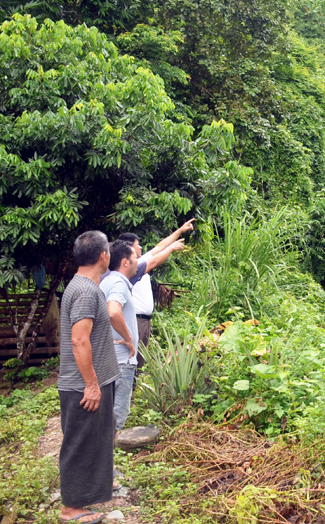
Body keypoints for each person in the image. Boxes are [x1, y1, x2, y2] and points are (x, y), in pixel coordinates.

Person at [58, 231, 119, 524]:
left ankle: (88, 495)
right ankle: (71, 508)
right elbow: (79, 340)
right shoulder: (85, 291)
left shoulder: (83, 286)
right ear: (103, 256)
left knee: (94, 439)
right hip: (82, 387)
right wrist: (92, 385)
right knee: (79, 443)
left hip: (88, 382)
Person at [115, 219, 194, 367]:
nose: (140, 247)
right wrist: (172, 248)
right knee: (131, 359)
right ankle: (129, 386)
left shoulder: (138, 262)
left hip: (144, 320)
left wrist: (180, 230)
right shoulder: (130, 268)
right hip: (136, 319)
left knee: (139, 359)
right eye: (137, 244)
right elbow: (155, 261)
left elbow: (159, 247)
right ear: (128, 249)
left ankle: (133, 385)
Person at [99, 240, 139, 433]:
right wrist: (129, 340)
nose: (137, 262)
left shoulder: (106, 281)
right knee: (117, 415)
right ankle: (106, 462)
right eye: (135, 258)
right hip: (121, 359)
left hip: (109, 356)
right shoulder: (118, 283)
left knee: (106, 413)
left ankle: (101, 460)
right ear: (125, 262)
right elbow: (113, 311)